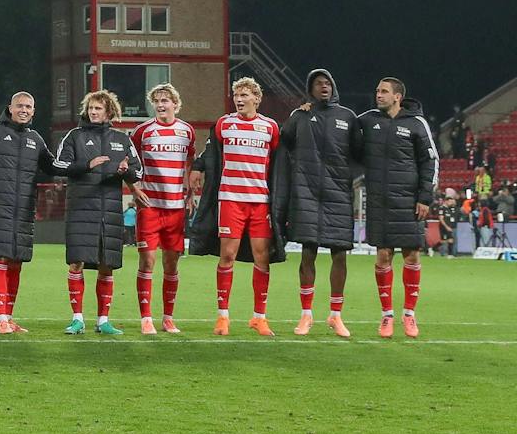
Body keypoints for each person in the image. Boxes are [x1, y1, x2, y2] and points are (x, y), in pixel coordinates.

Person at [187, 76, 283, 337]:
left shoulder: (270, 127)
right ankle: (223, 317)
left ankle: (259, 318)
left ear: (257, 99)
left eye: (244, 95)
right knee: (227, 255)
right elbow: (211, 152)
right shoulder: (224, 124)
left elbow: (279, 160)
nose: (239, 100)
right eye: (236, 95)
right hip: (230, 199)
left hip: (260, 201)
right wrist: (197, 167)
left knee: (262, 257)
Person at [277, 68, 359, 337]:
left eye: (327, 83)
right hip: (307, 193)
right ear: (310, 89)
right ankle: (306, 315)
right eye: (318, 84)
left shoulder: (347, 117)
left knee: (340, 254)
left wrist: (348, 178)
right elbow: (283, 142)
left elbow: (360, 153)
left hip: (338, 195)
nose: (324, 87)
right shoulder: (300, 116)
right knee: (308, 252)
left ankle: (336, 315)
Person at [54, 90, 142, 336]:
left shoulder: (122, 140)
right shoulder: (75, 136)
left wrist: (125, 171)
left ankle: (103, 320)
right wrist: (86, 165)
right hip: (81, 208)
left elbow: (138, 172)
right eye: (90, 108)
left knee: (107, 266)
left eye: (98, 108)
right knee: (76, 263)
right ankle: (77, 319)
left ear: (109, 112)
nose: (93, 112)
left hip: (109, 212)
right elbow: (59, 165)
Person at [354, 77, 437, 337]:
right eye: (377, 90)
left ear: (397, 96)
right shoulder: (368, 120)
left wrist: (425, 197)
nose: (378, 95)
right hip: (379, 201)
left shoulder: (416, 123)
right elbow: (340, 125)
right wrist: (312, 108)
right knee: (383, 256)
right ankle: (387, 316)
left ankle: (409, 315)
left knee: (412, 256)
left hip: (409, 201)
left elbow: (430, 161)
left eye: (384, 91)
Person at [0, 91, 56, 335]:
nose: (24, 110)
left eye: (28, 107)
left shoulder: (36, 139)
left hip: (23, 209)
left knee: (16, 262)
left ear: (33, 111)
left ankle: (9, 318)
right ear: (10, 108)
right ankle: (1, 318)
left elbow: (53, 166)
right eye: (19, 105)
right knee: (0, 259)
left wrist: (85, 165)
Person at [128, 84, 195, 336]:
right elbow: (129, 162)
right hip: (150, 207)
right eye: (156, 101)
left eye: (165, 100)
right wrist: (134, 190)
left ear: (175, 104)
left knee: (171, 264)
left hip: (175, 209)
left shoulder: (186, 131)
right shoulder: (142, 131)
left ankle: (168, 318)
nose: (160, 105)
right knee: (147, 261)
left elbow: (190, 164)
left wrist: (191, 194)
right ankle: (146, 318)